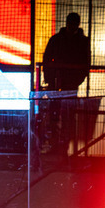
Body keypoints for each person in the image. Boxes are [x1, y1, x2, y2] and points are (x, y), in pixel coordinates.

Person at [41, 12, 91, 154]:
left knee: (58, 114)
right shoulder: (81, 41)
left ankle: (58, 145)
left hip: (61, 83)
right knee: (64, 115)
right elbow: (86, 63)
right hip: (65, 83)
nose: (72, 26)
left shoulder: (57, 39)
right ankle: (61, 145)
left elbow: (46, 59)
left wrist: (50, 79)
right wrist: (78, 79)